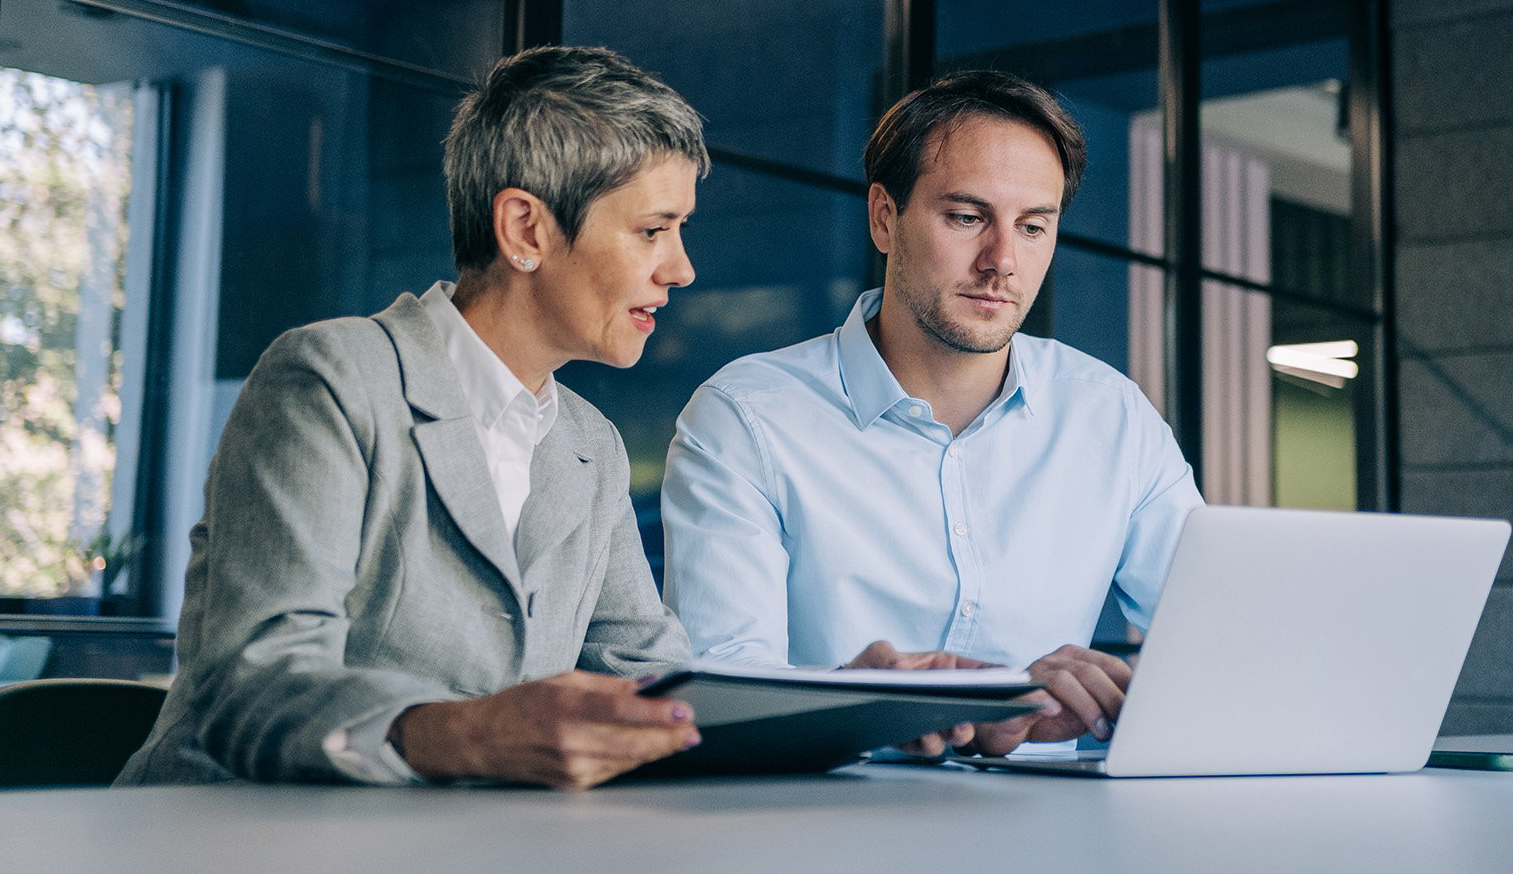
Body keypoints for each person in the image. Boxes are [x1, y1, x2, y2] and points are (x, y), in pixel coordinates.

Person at [120, 46, 707, 790]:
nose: (681, 269)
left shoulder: (592, 444)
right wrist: (473, 733)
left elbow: (657, 683)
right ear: (526, 230)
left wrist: (825, 703)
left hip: (471, 850)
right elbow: (257, 681)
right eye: (653, 231)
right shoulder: (331, 381)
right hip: (241, 842)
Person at [661, 71, 1204, 757]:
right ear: (884, 218)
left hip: (1056, 819)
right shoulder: (747, 418)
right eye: (967, 218)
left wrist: (1121, 701)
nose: (1002, 261)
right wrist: (885, 704)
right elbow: (720, 698)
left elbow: (1221, 642)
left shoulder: (1112, 415)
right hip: (825, 813)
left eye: (1033, 227)